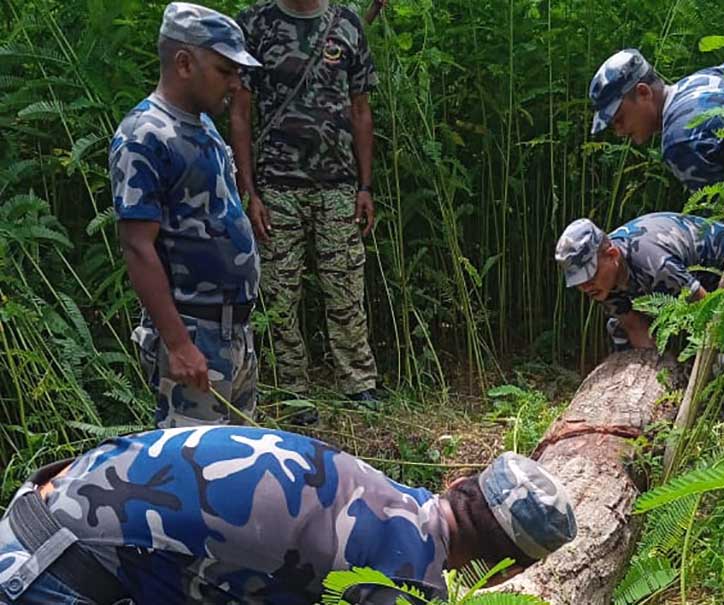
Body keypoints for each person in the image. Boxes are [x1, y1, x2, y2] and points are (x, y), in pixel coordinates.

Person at [0, 426, 577, 604]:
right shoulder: (400, 585)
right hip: (53, 574)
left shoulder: (379, 490)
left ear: (457, 484)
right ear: (504, 573)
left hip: (39, 507)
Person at [111, 2, 261, 429]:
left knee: (238, 473)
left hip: (234, 334)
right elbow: (138, 246)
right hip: (194, 334)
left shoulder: (204, 125)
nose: (235, 83)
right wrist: (178, 344)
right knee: (197, 477)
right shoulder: (144, 136)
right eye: (224, 70)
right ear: (183, 63)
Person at [230, 0, 380, 419]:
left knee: (346, 286)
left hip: (338, 185)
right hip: (276, 185)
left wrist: (365, 185)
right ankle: (295, 390)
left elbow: (361, 109)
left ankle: (359, 383)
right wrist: (250, 191)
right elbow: (240, 112)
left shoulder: (347, 23)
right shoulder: (254, 24)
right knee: (280, 292)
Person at [588, 48, 724, 280]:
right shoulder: (700, 81)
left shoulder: (679, 140)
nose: (619, 131)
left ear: (643, 93)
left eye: (619, 119)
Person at [555, 212, 724, 350]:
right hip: (682, 282)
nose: (585, 286)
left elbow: (708, 312)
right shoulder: (604, 281)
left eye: (590, 275)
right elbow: (633, 325)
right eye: (579, 280)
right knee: (618, 329)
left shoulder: (655, 264)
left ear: (612, 255)